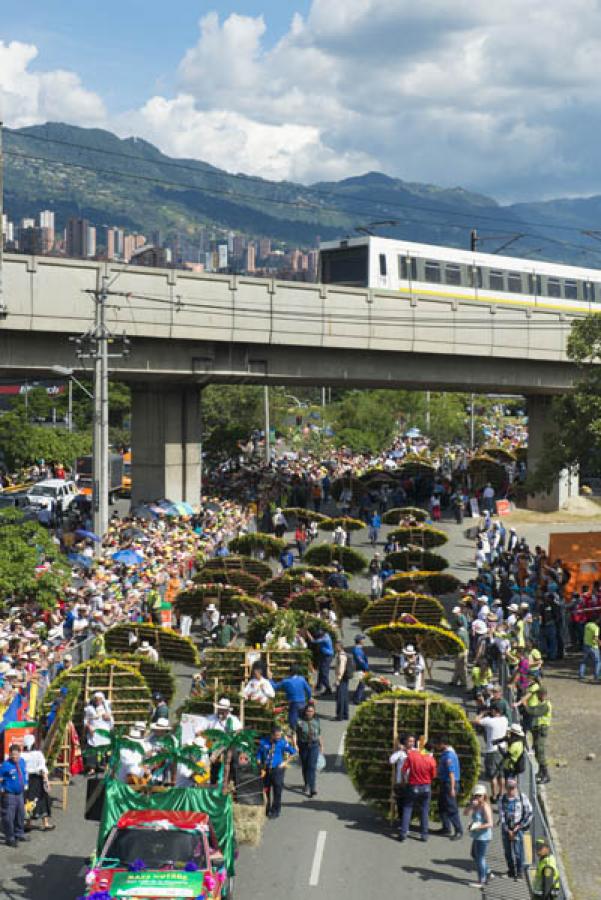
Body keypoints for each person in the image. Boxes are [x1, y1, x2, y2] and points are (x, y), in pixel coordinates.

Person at [398, 741, 437, 842]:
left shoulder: (412, 755)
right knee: (424, 810)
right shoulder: (432, 760)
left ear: (423, 746)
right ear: (432, 750)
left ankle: (403, 832)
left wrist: (404, 780)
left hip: (413, 785)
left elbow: (403, 769)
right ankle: (424, 835)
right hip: (426, 787)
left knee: (407, 807)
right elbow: (433, 776)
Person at [257, 724, 297, 818]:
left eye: (279, 735)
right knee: (266, 790)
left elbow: (294, 753)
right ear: (271, 735)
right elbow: (259, 754)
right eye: (277, 735)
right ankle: (266, 808)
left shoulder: (282, 743)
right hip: (266, 770)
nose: (278, 737)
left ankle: (276, 810)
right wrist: (259, 763)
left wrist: (285, 763)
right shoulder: (263, 742)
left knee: (277, 791)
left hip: (277, 770)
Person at [498, 777, 532, 881]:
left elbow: (529, 813)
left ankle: (520, 872)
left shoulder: (522, 797)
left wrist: (519, 826)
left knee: (518, 852)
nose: (511, 790)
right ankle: (511, 871)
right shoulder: (502, 799)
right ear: (506, 788)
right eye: (509, 788)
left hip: (518, 828)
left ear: (516, 787)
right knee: (507, 851)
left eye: (513, 788)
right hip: (506, 830)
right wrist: (508, 830)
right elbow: (501, 816)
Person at [473, 705, 508, 802]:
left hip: (492, 750)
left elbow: (476, 720)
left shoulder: (490, 721)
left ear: (494, 711)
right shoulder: (505, 720)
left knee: (493, 775)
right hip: (502, 749)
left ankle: (494, 795)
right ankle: (501, 793)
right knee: (501, 774)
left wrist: (482, 713)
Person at [21, 734, 54, 831]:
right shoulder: (38, 754)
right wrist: (46, 781)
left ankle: (28, 822)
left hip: (26, 780)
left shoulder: (22, 755)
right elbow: (42, 769)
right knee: (43, 799)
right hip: (37, 779)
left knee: (28, 799)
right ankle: (46, 823)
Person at [464, 783, 494, 887]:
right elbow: (465, 813)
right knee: (474, 854)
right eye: (476, 795)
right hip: (477, 835)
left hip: (483, 836)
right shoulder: (475, 804)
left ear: (484, 796)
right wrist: (471, 805)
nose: (478, 797)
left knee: (480, 857)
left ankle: (482, 880)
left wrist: (476, 827)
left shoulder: (485, 807)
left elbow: (490, 823)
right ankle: (488, 872)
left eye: (480, 795)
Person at [435, 734, 463, 840]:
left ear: (442, 744)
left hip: (449, 783)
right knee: (442, 806)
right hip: (444, 783)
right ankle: (446, 827)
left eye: (438, 744)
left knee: (451, 807)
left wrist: (452, 788)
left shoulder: (449, 755)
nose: (437, 746)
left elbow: (451, 773)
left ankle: (458, 830)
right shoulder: (446, 753)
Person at [0, 744, 29, 847]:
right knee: (9, 817)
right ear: (10, 754)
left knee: (20, 814)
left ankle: (19, 833)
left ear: (20, 754)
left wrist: (26, 783)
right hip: (9, 795)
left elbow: (25, 773)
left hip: (20, 793)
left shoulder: (22, 762)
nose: (15, 757)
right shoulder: (5, 765)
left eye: (16, 755)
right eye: (12, 755)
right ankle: (10, 838)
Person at [296, 703, 323, 797]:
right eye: (308, 711)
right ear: (305, 712)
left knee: (312, 767)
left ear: (314, 712)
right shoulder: (299, 721)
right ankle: (306, 783)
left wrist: (321, 745)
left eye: (311, 711)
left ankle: (312, 788)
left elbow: (319, 734)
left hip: (314, 746)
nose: (309, 713)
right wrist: (295, 745)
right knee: (305, 766)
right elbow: (294, 734)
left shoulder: (317, 721)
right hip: (303, 746)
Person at [83, 691, 114, 774]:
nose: (98, 701)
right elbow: (86, 720)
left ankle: (104, 766)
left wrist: (108, 717)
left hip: (104, 732)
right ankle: (92, 768)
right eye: (96, 699)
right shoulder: (89, 708)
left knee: (105, 750)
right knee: (92, 749)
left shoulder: (106, 708)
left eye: (99, 699)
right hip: (94, 732)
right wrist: (89, 728)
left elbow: (111, 721)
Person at [389, 734, 416, 826]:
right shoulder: (401, 753)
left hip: (412, 782)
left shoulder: (416, 751)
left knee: (409, 804)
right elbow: (391, 760)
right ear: (405, 742)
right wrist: (400, 750)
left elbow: (428, 756)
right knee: (400, 804)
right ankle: (402, 822)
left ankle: (407, 823)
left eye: (413, 741)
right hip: (401, 783)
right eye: (410, 741)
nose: (411, 743)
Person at [528, 687, 552, 785]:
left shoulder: (546, 705)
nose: (537, 696)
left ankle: (546, 774)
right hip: (538, 730)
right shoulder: (541, 703)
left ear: (542, 695)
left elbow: (535, 712)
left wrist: (525, 706)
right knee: (537, 751)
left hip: (542, 730)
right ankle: (541, 772)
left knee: (540, 751)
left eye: (538, 694)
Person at [309, 628, 334, 695]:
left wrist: (308, 634)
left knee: (324, 672)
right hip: (324, 655)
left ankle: (328, 688)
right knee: (321, 671)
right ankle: (319, 686)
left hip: (327, 657)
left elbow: (313, 641)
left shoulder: (325, 639)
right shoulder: (325, 635)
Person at [578, 616, 601, 681]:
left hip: (586, 645)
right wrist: (599, 642)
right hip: (593, 647)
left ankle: (581, 674)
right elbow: (595, 638)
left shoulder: (587, 625)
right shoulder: (596, 628)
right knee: (598, 661)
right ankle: (596, 676)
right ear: (596, 620)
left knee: (584, 661)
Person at [334, 641, 350, 721]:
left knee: (340, 697)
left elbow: (341, 668)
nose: (335, 648)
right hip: (344, 678)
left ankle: (339, 715)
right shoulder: (343, 655)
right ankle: (345, 714)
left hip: (342, 678)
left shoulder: (341, 656)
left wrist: (338, 679)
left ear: (340, 647)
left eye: (336, 646)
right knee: (344, 696)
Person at [351, 634, 370, 704]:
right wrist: (366, 668)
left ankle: (357, 697)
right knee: (362, 684)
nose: (363, 641)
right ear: (360, 641)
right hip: (361, 669)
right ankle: (357, 699)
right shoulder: (357, 650)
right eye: (362, 639)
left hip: (362, 668)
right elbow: (360, 661)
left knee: (362, 684)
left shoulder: (358, 649)